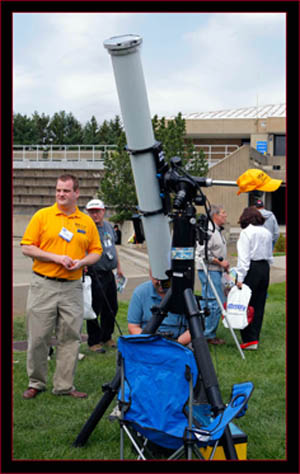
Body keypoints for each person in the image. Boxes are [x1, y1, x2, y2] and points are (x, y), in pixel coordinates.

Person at [21, 174, 102, 400]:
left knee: (70, 337)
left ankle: (64, 386)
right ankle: (36, 382)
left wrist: (82, 262)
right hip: (43, 285)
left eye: (66, 191)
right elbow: (27, 247)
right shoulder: (43, 216)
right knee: (38, 337)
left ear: (76, 193)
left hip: (72, 287)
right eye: (58, 190)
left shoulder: (86, 222)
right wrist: (55, 258)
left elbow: (97, 251)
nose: (61, 195)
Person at [85, 199, 124, 353]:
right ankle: (94, 341)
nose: (95, 214)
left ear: (103, 211)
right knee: (95, 308)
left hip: (109, 273)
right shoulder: (87, 228)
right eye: (92, 211)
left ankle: (106, 336)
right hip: (95, 273)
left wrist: (119, 267)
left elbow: (113, 248)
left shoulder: (108, 226)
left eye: (97, 211)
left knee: (112, 307)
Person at [236, 206, 273, 350]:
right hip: (264, 267)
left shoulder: (246, 233)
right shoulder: (266, 232)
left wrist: (240, 277)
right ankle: (255, 337)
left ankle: (248, 339)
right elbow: (270, 254)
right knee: (259, 304)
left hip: (252, 268)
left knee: (245, 303)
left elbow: (244, 258)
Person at [127, 269, 191, 345]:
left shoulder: (184, 292)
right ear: (150, 275)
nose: (160, 283)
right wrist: (150, 342)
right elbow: (133, 327)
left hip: (178, 342)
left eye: (164, 280)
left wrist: (176, 344)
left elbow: (192, 330)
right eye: (157, 279)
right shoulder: (140, 292)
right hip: (148, 342)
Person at [195, 205, 230, 345]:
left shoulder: (217, 230)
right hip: (209, 270)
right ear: (215, 215)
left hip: (216, 270)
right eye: (223, 213)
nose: (225, 215)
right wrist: (219, 262)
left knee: (211, 301)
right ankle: (208, 335)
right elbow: (202, 253)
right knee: (214, 302)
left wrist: (224, 267)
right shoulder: (208, 229)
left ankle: (205, 332)